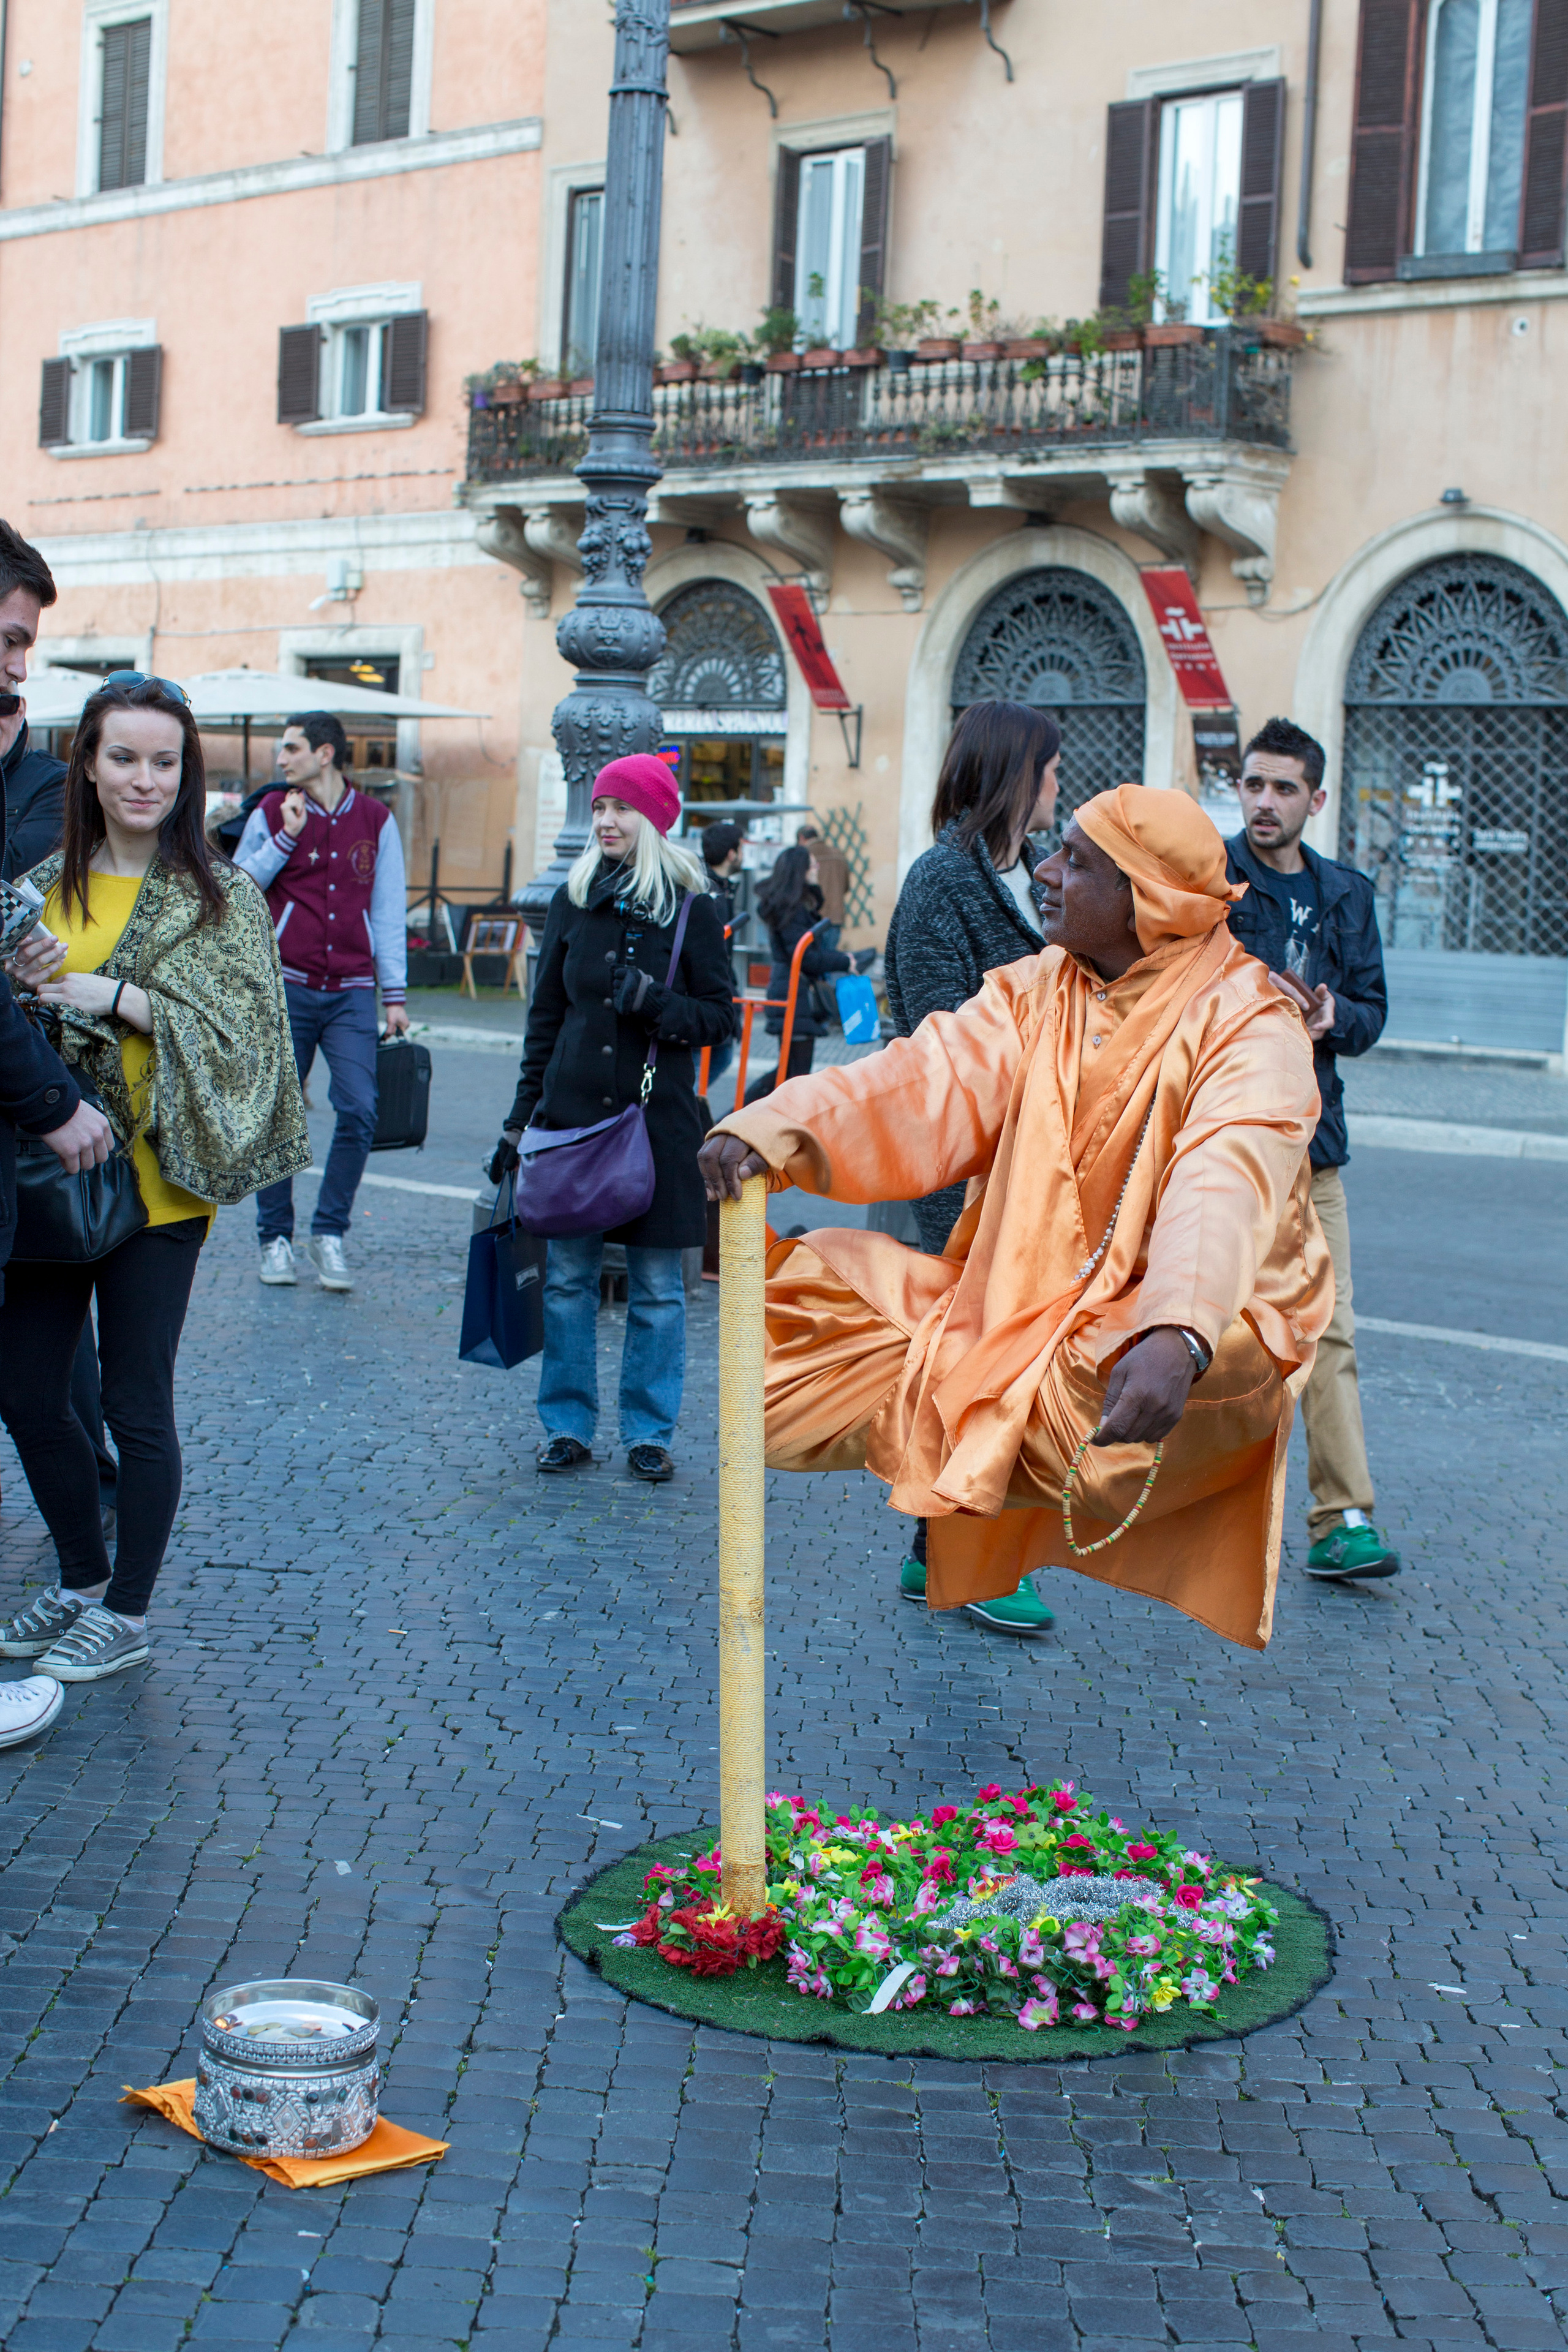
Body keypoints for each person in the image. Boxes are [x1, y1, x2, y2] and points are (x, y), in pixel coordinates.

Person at [699, 785, 1333, 1652]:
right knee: (809, 1303)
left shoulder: (1252, 1022)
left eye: (1076, 861)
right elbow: (924, 1081)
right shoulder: (1040, 988)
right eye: (1054, 848)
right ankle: (960, 1437)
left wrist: (1178, 1330)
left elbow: (1223, 1179)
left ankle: (984, 1433)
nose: (1044, 870)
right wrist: (778, 1126)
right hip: (1025, 1306)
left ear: (1144, 898)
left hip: (1196, 1333)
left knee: (1101, 1383)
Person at [0, 674, 309, 1683]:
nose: (144, 779)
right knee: (32, 1389)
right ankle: (81, 1575)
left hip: (159, 1188)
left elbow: (252, 1045)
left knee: (137, 1402)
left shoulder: (223, 896)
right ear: (87, 761)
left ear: (188, 774)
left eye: (164, 761)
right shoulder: (44, 882)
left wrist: (114, 994)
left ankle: (125, 1612)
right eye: (123, 757)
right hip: (50, 1179)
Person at [490, 755, 734, 1484]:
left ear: (654, 820)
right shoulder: (572, 900)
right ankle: (566, 1426)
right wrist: (517, 1122)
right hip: (569, 1121)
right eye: (599, 808)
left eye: (621, 809)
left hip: (656, 1130)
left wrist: (653, 1003)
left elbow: (719, 1017)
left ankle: (647, 1434)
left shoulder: (693, 908)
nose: (605, 821)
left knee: (659, 1288)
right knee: (567, 1281)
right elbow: (544, 1020)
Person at [881, 699, 1063, 1634]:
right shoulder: (941, 882)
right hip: (964, 1162)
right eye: (1051, 771)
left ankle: (934, 1551)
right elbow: (938, 1038)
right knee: (987, 1356)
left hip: (1036, 1159)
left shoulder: (1038, 871)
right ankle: (973, 1558)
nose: (1059, 789)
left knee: (1000, 1352)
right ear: (1014, 775)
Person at [1225, 715, 1397, 1584]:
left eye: (1283, 788)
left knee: (1332, 1335)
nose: (1264, 801)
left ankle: (1343, 1519)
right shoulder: (1212, 880)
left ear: (1315, 800)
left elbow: (1371, 1010)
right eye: (1253, 784)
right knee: (1175, 1327)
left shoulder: (1346, 894)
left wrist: (1336, 1018)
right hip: (1220, 1151)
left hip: (1313, 1149)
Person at [0, 524, 115, 1746]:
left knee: (45, 1381)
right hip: (38, 1116)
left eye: (26, 645)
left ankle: (89, 1590)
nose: (16, 665)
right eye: (5, 639)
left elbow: (43, 936)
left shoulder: (46, 784)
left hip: (39, 1164)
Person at [233, 712, 407, 1294]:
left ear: (326, 753)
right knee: (280, 1112)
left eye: (292, 749)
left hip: (353, 989)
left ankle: (328, 1232)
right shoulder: (270, 811)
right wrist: (284, 837)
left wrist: (396, 997)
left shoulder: (376, 819)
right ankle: (274, 1237)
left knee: (360, 1110)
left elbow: (386, 909)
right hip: (286, 981)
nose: (282, 760)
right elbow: (239, 889)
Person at [744, 843, 873, 1104]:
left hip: (796, 993)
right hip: (792, 993)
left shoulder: (796, 907)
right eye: (813, 864)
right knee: (793, 1075)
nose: (817, 868)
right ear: (801, 871)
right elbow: (806, 958)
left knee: (792, 1073)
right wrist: (844, 961)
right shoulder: (792, 912)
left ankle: (745, 1115)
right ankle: (739, 1113)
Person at [795, 824, 849, 945]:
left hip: (810, 918)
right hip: (834, 918)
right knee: (828, 959)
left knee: (810, 960)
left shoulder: (803, 855)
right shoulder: (838, 854)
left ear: (801, 838)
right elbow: (846, 887)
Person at [701, 820, 745, 932]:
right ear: (731, 855)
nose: (743, 856)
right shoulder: (712, 894)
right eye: (741, 850)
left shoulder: (708, 886)